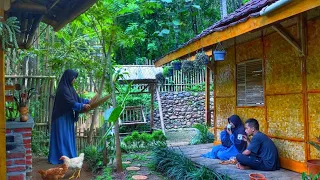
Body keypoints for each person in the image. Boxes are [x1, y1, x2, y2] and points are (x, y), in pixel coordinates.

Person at [48, 69, 91, 164]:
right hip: (61, 117)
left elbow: (77, 99)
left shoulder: (70, 88)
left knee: (67, 137)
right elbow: (70, 102)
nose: (74, 80)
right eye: (74, 78)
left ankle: (68, 157)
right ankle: (61, 158)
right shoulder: (63, 89)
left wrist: (88, 101)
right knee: (62, 137)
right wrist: (82, 106)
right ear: (69, 77)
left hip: (67, 116)